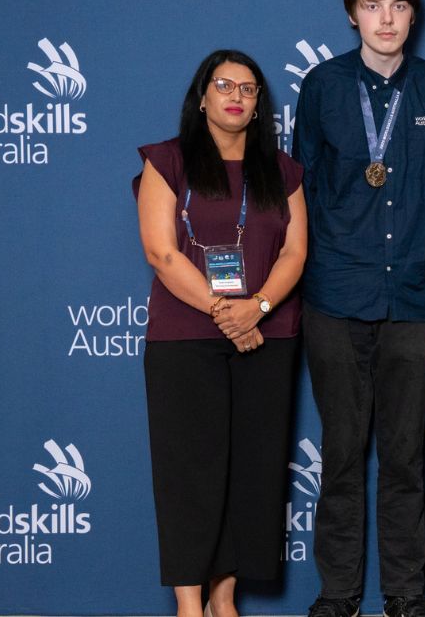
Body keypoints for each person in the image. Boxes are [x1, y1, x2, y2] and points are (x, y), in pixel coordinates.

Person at [292, 0, 425, 617]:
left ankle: (407, 594)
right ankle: (338, 594)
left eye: (399, 7)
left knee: (406, 458)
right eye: (373, 6)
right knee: (342, 453)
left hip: (413, 298)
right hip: (335, 294)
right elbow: (298, 191)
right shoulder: (323, 86)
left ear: (414, 16)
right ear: (353, 13)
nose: (387, 19)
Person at [135, 49, 307, 617]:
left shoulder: (281, 170)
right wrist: (223, 310)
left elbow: (295, 251)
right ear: (203, 96)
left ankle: (224, 599)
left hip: (267, 335)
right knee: (190, 471)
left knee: (249, 471)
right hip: (185, 338)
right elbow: (162, 252)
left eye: (249, 89)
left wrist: (254, 308)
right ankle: (189, 605)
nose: (236, 95)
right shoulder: (168, 161)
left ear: (259, 105)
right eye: (224, 85)